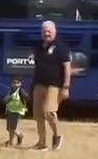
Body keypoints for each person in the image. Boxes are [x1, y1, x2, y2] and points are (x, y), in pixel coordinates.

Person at [30, 20, 70, 151]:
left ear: (54, 32)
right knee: (38, 115)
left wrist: (66, 87)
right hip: (38, 84)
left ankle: (57, 135)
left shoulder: (61, 48)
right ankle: (42, 143)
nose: (47, 33)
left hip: (54, 86)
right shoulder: (38, 47)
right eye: (44, 31)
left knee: (49, 112)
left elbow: (67, 68)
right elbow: (36, 65)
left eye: (49, 31)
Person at [4, 78, 27, 146]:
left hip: (17, 111)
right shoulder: (10, 91)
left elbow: (26, 97)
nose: (15, 85)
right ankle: (19, 135)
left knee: (13, 128)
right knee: (9, 128)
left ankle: (11, 142)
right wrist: (9, 97)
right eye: (14, 83)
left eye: (17, 83)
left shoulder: (21, 91)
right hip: (10, 111)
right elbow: (5, 100)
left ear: (20, 84)